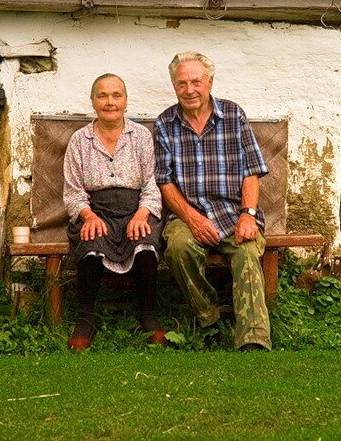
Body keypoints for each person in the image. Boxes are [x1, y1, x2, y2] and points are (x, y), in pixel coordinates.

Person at [154, 51, 271, 351]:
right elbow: (164, 181)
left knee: (246, 251)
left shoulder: (233, 115)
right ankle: (209, 318)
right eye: (182, 84)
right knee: (178, 248)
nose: (189, 89)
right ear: (174, 86)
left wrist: (248, 214)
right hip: (187, 213)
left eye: (196, 81)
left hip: (234, 211)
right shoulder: (165, 123)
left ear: (209, 81)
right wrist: (192, 218)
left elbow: (252, 171)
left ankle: (253, 338)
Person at [63, 73, 165, 351]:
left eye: (116, 95)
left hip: (136, 210)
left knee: (144, 244)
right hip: (96, 211)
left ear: (126, 101)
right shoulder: (79, 140)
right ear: (93, 101)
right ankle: (85, 320)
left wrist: (142, 214)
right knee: (91, 243)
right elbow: (73, 191)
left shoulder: (141, 136)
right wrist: (88, 215)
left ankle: (148, 316)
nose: (110, 102)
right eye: (103, 95)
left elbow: (152, 185)